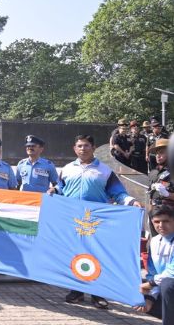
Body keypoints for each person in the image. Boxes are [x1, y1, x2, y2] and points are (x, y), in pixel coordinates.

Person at [56, 134, 142, 309]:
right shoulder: (66, 169)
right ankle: (76, 291)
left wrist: (131, 201)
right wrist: (53, 190)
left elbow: (118, 193)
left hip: (96, 222)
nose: (83, 149)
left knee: (96, 256)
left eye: (86, 146)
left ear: (93, 148)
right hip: (72, 221)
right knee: (75, 255)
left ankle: (98, 294)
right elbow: (60, 188)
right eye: (79, 146)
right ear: (74, 148)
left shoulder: (105, 171)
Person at [136, 205, 174, 323]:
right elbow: (153, 273)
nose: (161, 225)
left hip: (169, 285)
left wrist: (150, 284)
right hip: (164, 286)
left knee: (167, 284)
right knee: (136, 288)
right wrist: (150, 298)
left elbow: (172, 272)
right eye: (157, 221)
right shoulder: (154, 241)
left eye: (166, 221)